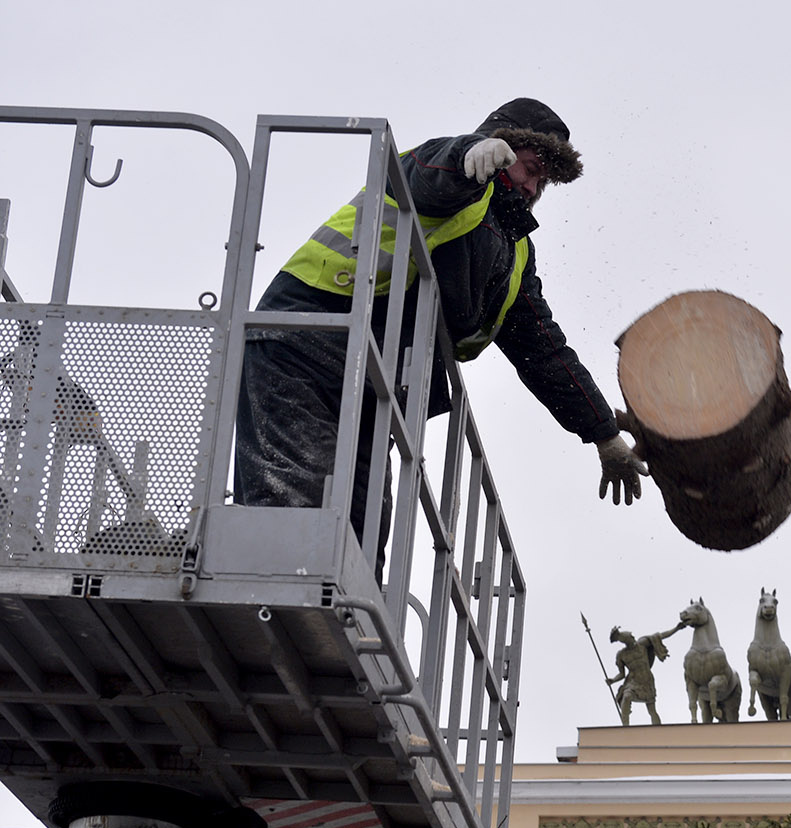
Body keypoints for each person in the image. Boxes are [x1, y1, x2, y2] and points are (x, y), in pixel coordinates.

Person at [235, 98, 646, 572]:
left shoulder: (515, 255)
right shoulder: (453, 179)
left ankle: (338, 622)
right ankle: (272, 601)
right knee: (295, 505)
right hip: (305, 338)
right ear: (505, 148)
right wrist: (472, 152)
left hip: (374, 380)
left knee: (362, 531)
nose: (534, 188)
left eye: (544, 181)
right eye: (531, 169)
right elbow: (430, 176)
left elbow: (544, 348)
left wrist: (601, 432)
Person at [607, 622, 685, 726]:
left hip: (646, 680)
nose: (631, 639)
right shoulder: (621, 655)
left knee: (651, 710)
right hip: (633, 681)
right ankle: (625, 728)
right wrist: (612, 680)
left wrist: (676, 629)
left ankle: (658, 731)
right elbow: (621, 674)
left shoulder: (642, 644)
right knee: (626, 697)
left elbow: (661, 636)